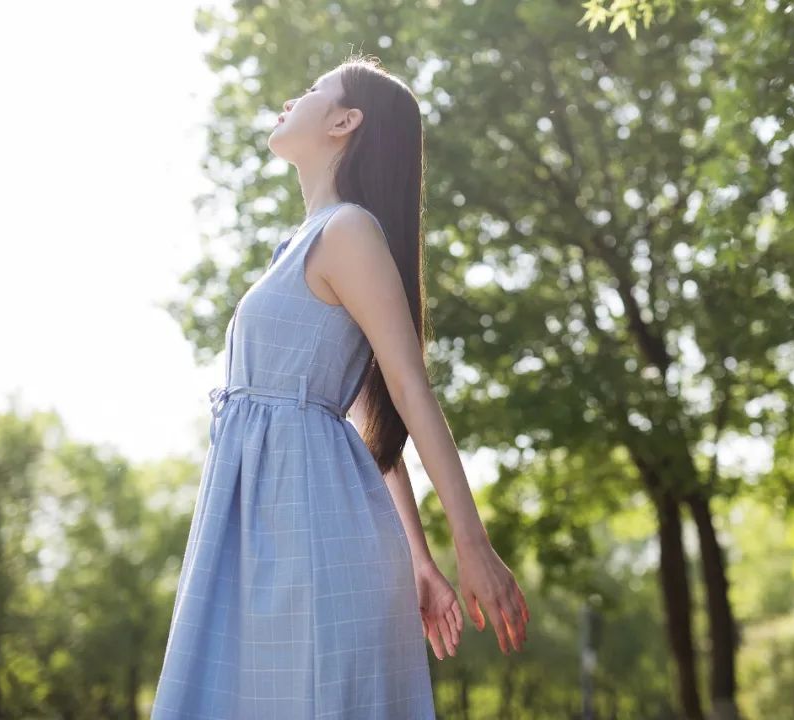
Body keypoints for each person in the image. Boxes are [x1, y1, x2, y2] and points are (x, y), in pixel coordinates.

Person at [151, 53, 530, 719]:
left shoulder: (348, 230)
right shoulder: (296, 247)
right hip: (254, 522)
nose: (290, 99)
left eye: (311, 88)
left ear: (344, 120)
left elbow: (408, 389)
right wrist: (416, 559)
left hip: (308, 528)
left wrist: (470, 547)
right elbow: (368, 418)